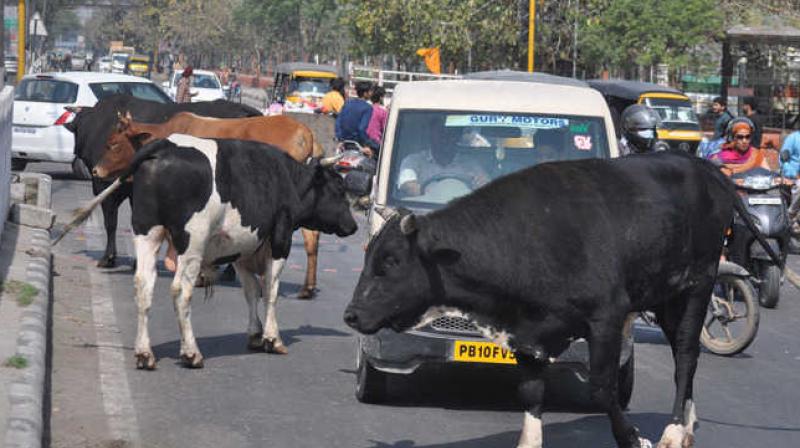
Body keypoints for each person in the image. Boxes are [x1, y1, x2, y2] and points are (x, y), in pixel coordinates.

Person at [397, 118, 490, 197]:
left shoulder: (471, 164)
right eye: (440, 133)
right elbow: (408, 185)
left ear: (457, 136)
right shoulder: (413, 161)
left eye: (450, 133)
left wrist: (481, 185)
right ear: (431, 135)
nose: (445, 138)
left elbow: (486, 186)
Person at [335, 81, 380, 157]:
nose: (371, 93)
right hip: (358, 142)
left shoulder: (347, 103)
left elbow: (338, 122)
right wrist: (366, 144)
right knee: (378, 149)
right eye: (370, 91)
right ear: (365, 93)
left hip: (344, 142)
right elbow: (361, 129)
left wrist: (340, 139)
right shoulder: (368, 108)